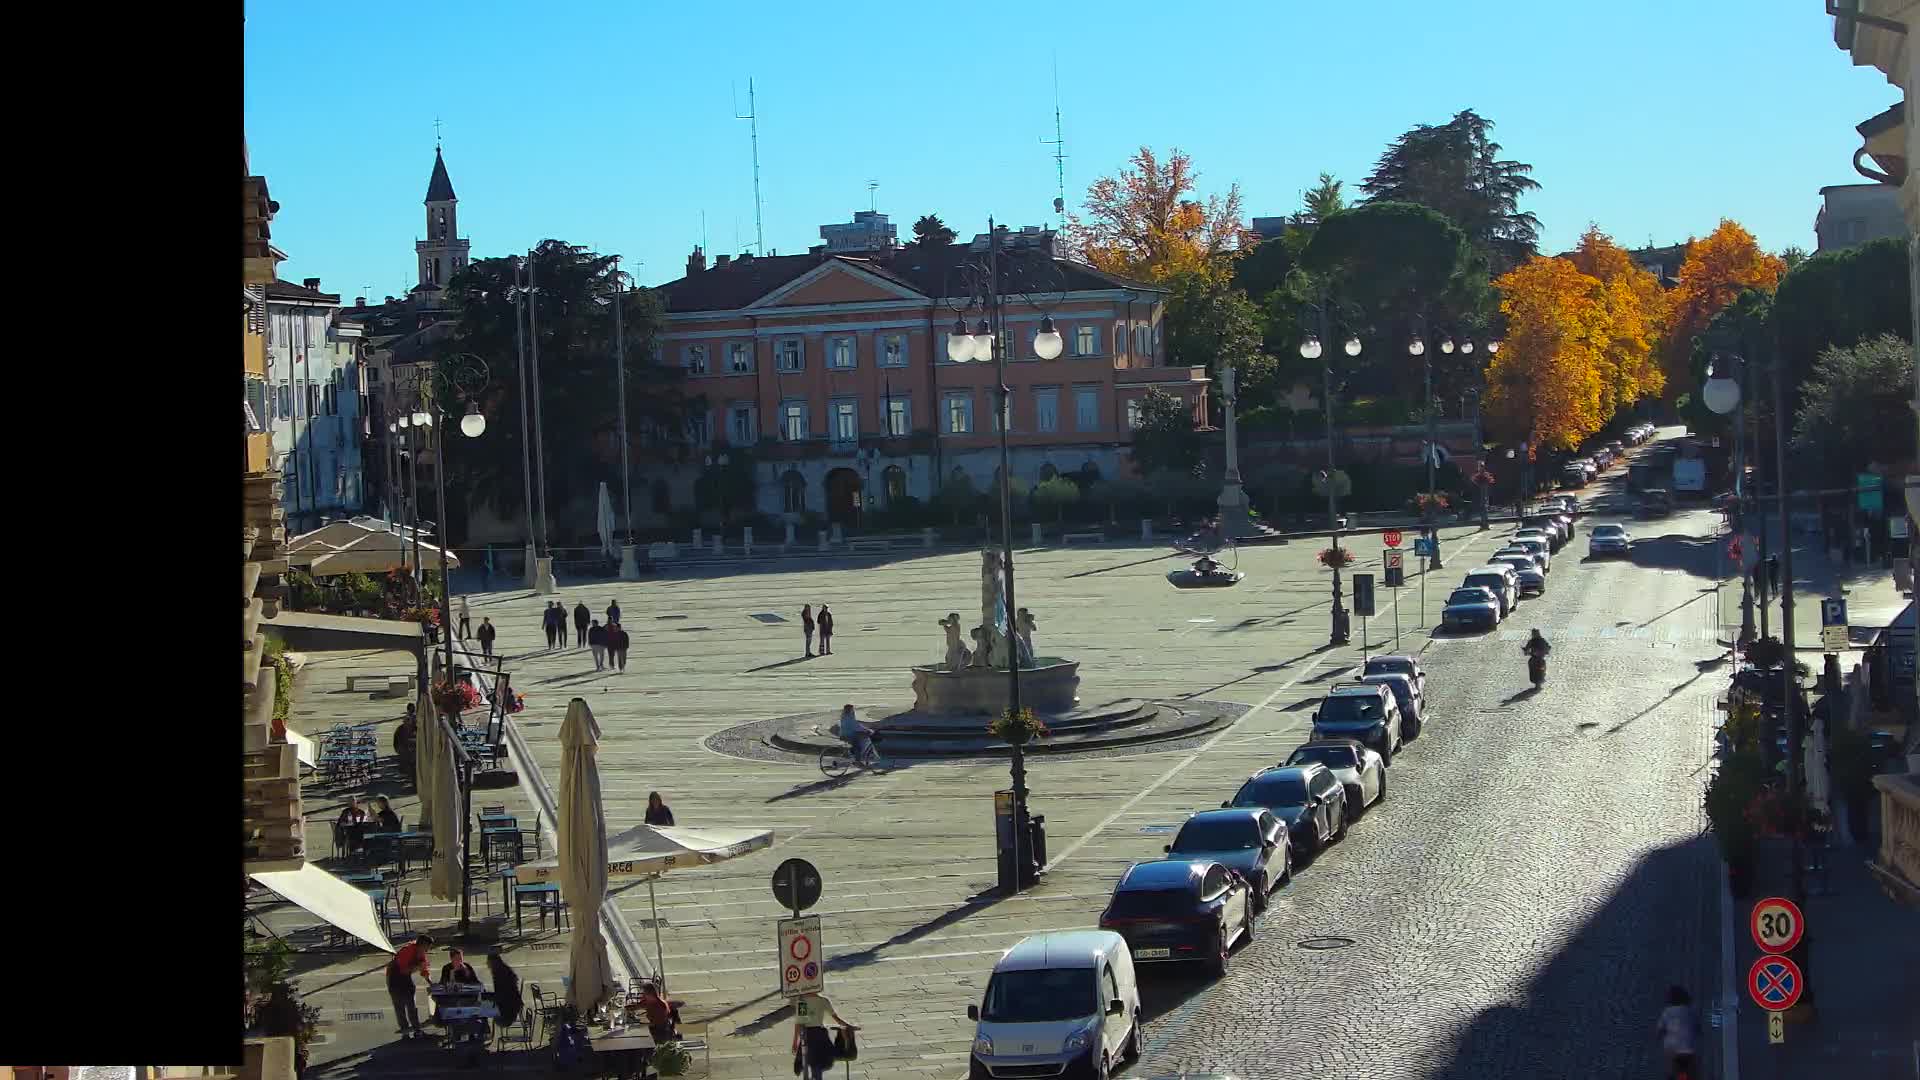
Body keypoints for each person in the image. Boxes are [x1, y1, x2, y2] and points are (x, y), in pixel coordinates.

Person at [791, 992, 857, 1080]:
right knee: (820, 1061)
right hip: (821, 1035)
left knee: (814, 1061)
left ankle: (813, 1073)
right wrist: (848, 1026)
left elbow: (799, 1024)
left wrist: (795, 1042)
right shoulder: (823, 1000)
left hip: (808, 1035)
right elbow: (837, 1019)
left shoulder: (802, 1002)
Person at [386, 934, 434, 1038]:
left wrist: (431, 983)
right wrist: (417, 967)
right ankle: (405, 1032)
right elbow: (404, 970)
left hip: (406, 977)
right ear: (421, 945)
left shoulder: (421, 952)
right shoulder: (407, 951)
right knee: (400, 1006)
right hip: (394, 977)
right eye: (427, 948)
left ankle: (417, 1030)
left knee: (411, 1004)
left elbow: (424, 970)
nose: (427, 951)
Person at [1655, 985, 1699, 1079]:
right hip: (1688, 1049)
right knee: (1693, 1072)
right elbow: (1697, 1028)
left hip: (1672, 1049)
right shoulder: (1690, 1011)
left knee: (1670, 1071)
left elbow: (1659, 1030)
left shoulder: (1667, 1012)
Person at [486, 951, 522, 1033]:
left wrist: (486, 996)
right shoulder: (503, 971)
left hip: (506, 1015)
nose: (487, 965)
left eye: (488, 963)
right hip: (510, 1008)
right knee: (484, 1008)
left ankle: (484, 1032)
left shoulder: (499, 975)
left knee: (482, 1010)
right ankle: (484, 1031)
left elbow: (500, 996)